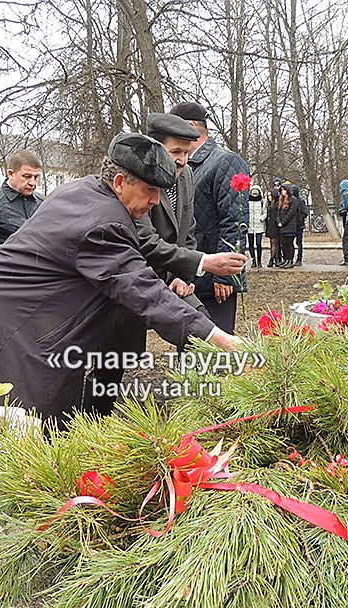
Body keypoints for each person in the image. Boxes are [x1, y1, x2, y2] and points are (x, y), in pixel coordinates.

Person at [0, 133, 244, 423]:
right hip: (10, 324)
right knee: (22, 427)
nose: (156, 202)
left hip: (12, 308)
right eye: (151, 190)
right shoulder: (103, 223)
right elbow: (145, 292)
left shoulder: (87, 190)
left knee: (46, 418)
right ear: (120, 181)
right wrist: (220, 339)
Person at [87, 113, 247, 414]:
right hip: (130, 279)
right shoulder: (138, 179)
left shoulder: (185, 176)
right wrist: (204, 263)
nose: (183, 160)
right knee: (114, 361)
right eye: (176, 152)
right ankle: (93, 418)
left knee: (201, 332)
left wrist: (182, 274)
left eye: (188, 152)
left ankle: (197, 406)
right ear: (155, 149)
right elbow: (145, 240)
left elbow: (188, 230)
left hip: (172, 278)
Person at [169, 101, 249, 333]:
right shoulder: (186, 165)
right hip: (192, 274)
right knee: (191, 343)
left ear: (191, 128)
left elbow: (235, 222)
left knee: (214, 351)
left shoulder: (225, 162)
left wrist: (225, 277)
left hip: (216, 282)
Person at [0, 149, 44, 245]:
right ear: (11, 174)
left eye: (36, 177)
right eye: (27, 176)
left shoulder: (43, 203)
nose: (33, 183)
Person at [276, 184, 298, 269]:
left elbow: (291, 213)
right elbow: (278, 213)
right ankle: (285, 259)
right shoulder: (281, 200)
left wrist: (283, 222)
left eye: (284, 190)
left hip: (290, 226)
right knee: (283, 244)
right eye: (281, 190)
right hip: (282, 226)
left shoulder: (293, 199)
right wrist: (278, 221)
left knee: (289, 243)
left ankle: (290, 260)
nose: (283, 192)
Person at [247, 184, 266, 268]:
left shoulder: (262, 201)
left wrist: (261, 218)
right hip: (250, 226)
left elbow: (265, 212)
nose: (254, 194)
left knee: (258, 243)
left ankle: (259, 261)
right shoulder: (247, 201)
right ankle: (253, 260)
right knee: (251, 244)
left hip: (259, 226)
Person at [293, 184, 309, 266]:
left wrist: (299, 219)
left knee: (299, 242)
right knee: (290, 243)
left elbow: (305, 213)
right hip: (292, 225)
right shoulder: (292, 200)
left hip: (299, 225)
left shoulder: (301, 201)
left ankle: (299, 259)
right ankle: (290, 258)